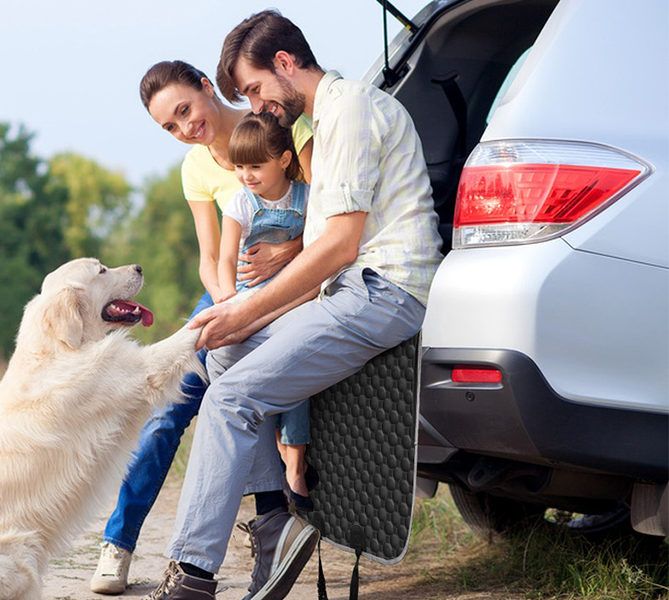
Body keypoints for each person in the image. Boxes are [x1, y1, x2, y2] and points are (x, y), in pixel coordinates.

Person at [146, 10, 443, 600]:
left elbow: (339, 245)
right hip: (346, 291)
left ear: (284, 64)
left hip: (384, 291)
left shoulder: (351, 109)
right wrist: (244, 316)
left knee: (228, 399)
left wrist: (248, 310)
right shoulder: (324, 121)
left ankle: (191, 577)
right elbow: (323, 250)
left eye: (255, 89)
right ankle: (277, 522)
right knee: (223, 356)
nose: (256, 106)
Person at [89, 60, 314, 595]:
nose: (185, 127)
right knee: (170, 405)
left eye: (185, 110)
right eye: (170, 126)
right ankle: (118, 542)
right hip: (228, 292)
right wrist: (228, 303)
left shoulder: (280, 130)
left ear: (208, 88)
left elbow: (329, 219)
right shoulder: (196, 167)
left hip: (295, 284)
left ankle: (271, 527)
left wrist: (287, 253)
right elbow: (210, 257)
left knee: (250, 385)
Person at [218, 111, 317, 512]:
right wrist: (228, 300)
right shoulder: (241, 203)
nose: (246, 175)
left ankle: (294, 461)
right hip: (252, 297)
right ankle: (277, 454)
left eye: (256, 166)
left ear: (284, 160)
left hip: (296, 296)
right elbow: (226, 259)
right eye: (240, 167)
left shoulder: (308, 197)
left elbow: (320, 243)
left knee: (293, 360)